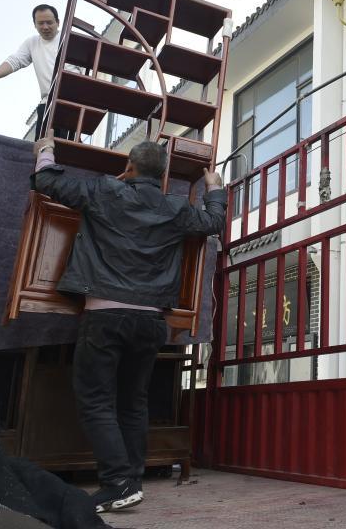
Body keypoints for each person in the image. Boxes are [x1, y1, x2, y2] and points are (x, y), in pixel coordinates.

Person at [30, 136, 226, 513]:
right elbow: (213, 221)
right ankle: (130, 481)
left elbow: (47, 181)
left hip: (105, 316)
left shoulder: (105, 191)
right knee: (133, 402)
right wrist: (214, 188)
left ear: (130, 167)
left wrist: (45, 150)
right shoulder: (175, 207)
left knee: (96, 400)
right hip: (151, 321)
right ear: (163, 174)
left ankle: (118, 481)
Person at [0, 4, 62, 134]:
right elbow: (16, 60)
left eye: (49, 22)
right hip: (47, 103)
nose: (45, 27)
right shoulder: (32, 43)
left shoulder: (69, 37)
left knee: (68, 142)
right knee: (42, 144)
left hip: (70, 100)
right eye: (41, 23)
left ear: (58, 22)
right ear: (35, 25)